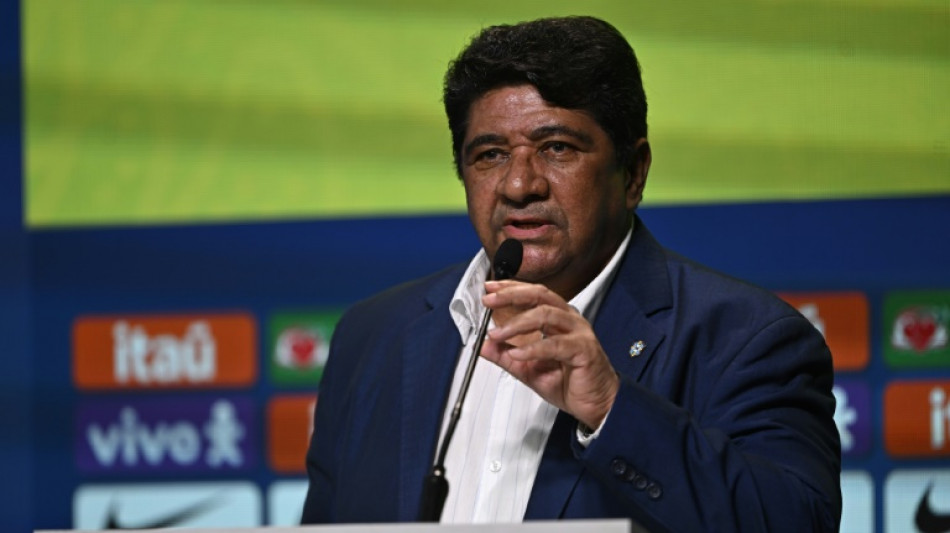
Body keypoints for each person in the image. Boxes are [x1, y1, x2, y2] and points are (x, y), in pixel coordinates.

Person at [301, 15, 841, 532]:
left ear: (634, 173)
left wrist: (611, 406)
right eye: (490, 155)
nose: (519, 185)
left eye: (556, 148)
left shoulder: (747, 338)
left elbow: (796, 522)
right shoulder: (373, 336)